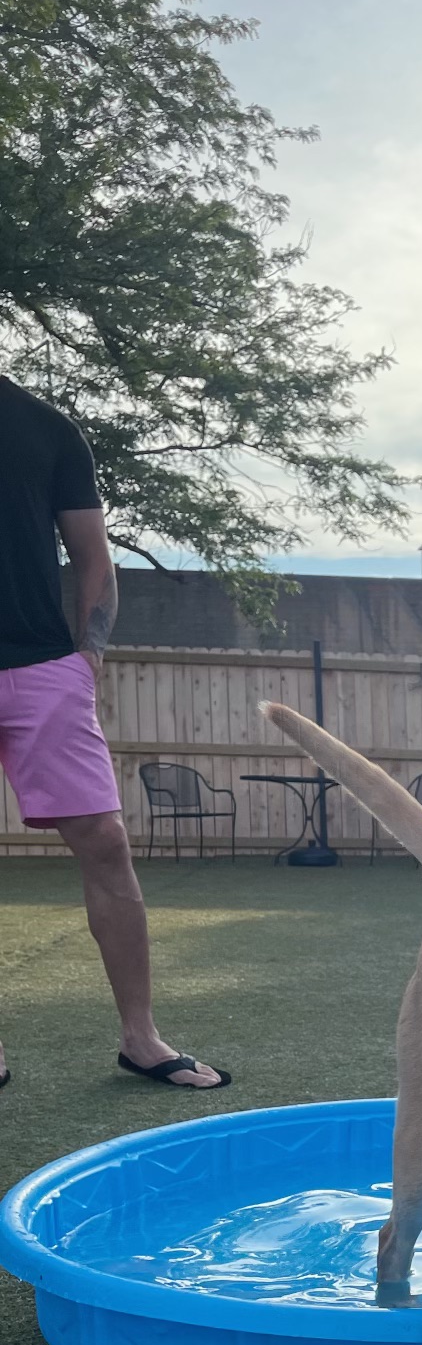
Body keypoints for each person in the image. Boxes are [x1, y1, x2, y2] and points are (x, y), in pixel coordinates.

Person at [0, 375, 230, 1092]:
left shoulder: (46, 429)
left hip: (40, 664)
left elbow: (93, 556)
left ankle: (142, 1038)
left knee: (106, 841)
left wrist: (86, 657)